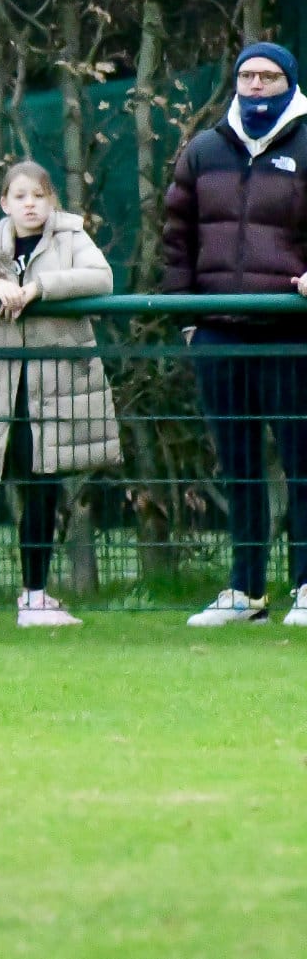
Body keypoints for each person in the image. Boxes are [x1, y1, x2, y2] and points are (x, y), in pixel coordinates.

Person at [0, 160, 122, 627]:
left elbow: (101, 278)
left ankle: (35, 595)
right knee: (21, 483)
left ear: (51, 200)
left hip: (56, 388)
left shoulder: (72, 237)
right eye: (20, 196)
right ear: (4, 203)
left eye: (38, 195)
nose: (30, 204)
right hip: (1, 391)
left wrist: (38, 289)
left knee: (44, 486)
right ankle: (32, 597)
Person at [162, 40, 307, 627]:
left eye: (268, 76)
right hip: (218, 335)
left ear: (288, 82)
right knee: (238, 465)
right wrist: (188, 319)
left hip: (292, 333)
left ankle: (306, 587)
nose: (256, 86)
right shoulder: (203, 150)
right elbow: (176, 237)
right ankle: (246, 593)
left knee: (301, 462)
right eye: (247, 76)